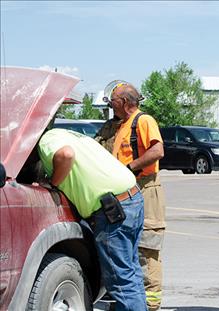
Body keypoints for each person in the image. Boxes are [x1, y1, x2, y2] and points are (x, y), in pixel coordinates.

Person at [37, 128, 147, 311]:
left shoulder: (48, 139)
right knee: (131, 274)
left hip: (112, 209)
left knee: (121, 280)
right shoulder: (71, 134)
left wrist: (52, 183)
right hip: (132, 198)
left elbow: (65, 155)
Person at [104, 81, 166, 311]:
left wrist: (130, 168)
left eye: (114, 101)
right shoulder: (119, 125)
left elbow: (157, 151)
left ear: (126, 102)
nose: (111, 105)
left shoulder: (144, 120)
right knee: (127, 247)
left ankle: (150, 305)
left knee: (147, 248)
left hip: (145, 188)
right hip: (126, 190)